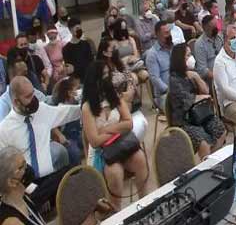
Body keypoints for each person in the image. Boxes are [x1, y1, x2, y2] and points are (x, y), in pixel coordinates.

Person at [0, 77, 80, 209]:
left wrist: (87, 106)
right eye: (28, 96)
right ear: (16, 101)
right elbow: (6, 172)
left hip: (50, 179)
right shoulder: (4, 130)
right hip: (28, 186)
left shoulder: (42, 110)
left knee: (73, 172)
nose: (34, 99)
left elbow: (67, 113)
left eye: (34, 93)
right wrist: (28, 188)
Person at [81, 61, 148, 210]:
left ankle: (145, 203)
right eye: (103, 75)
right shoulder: (87, 108)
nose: (107, 78)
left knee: (140, 158)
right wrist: (119, 128)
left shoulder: (114, 96)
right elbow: (94, 141)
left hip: (120, 143)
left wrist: (107, 129)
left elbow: (129, 123)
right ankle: (117, 214)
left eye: (108, 74)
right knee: (115, 172)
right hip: (102, 152)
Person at [0, 146, 67, 225]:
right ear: (11, 182)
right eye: (22, 167)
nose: (28, 169)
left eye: (25, 164)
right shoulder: (11, 224)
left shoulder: (24, 199)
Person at [168, 44, 226, 159]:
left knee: (221, 131)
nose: (191, 58)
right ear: (180, 59)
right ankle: (207, 164)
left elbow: (205, 90)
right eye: (188, 55)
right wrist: (204, 97)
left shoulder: (191, 73)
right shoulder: (174, 79)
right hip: (184, 121)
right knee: (203, 143)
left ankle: (212, 160)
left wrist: (196, 77)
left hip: (201, 115)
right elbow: (187, 100)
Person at [50, 77, 84, 168]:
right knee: (75, 153)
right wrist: (60, 136)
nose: (78, 91)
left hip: (78, 133)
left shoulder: (77, 103)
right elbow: (52, 125)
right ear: (69, 93)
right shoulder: (61, 108)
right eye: (76, 89)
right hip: (67, 138)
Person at [146, 20, 172, 109]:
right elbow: (155, 79)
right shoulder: (152, 54)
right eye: (166, 33)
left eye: (169, 32)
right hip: (164, 95)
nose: (169, 35)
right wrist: (170, 90)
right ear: (157, 35)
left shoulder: (174, 48)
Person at [62, 17, 94, 81]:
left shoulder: (86, 44)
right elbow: (69, 69)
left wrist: (76, 68)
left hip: (89, 77)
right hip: (77, 81)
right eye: (77, 28)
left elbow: (91, 62)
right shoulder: (66, 49)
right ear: (70, 30)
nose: (79, 30)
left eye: (80, 28)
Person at [194, 15, 223, 82]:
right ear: (206, 28)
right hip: (212, 77)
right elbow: (202, 70)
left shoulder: (219, 37)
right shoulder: (199, 44)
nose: (217, 29)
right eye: (214, 27)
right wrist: (218, 77)